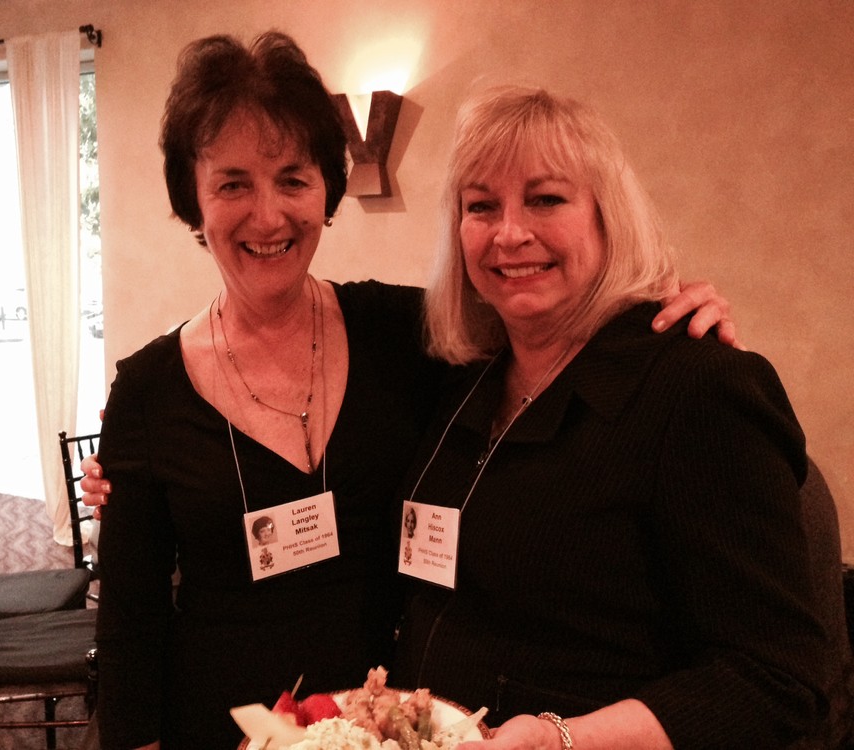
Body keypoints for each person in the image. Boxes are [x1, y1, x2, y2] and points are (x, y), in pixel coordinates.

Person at [87, 32, 735, 749]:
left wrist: (660, 310)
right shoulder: (148, 391)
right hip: (221, 727)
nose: (267, 216)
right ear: (194, 199)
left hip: (393, 726)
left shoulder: (407, 334)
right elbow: (130, 626)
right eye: (232, 184)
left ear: (326, 191)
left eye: (293, 180)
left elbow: (547, 318)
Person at [389, 87, 831, 749]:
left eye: (545, 199)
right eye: (481, 206)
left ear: (607, 216)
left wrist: (561, 740)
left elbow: (778, 679)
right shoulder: (462, 377)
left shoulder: (698, 389)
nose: (510, 233)